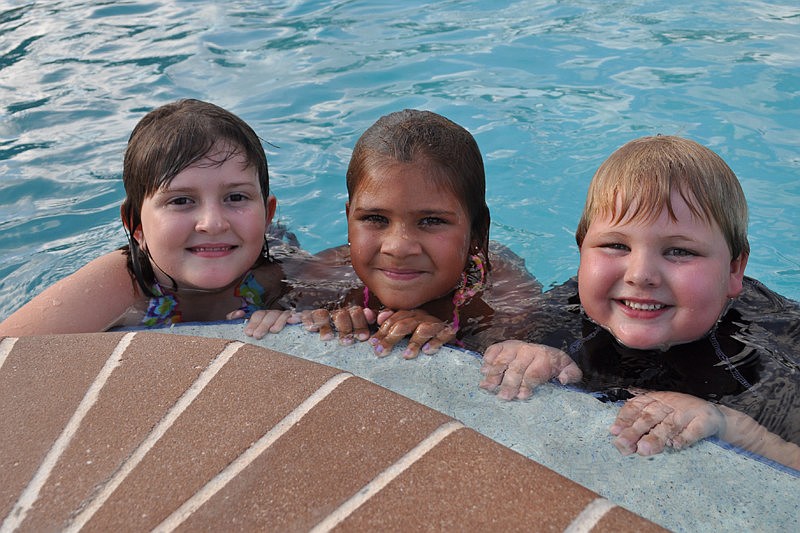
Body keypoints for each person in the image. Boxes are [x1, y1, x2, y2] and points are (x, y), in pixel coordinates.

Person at [479, 135, 800, 470]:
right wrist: (525, 353)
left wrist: (727, 424)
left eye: (679, 251)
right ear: (582, 250)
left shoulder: (776, 349)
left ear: (734, 269)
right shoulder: (564, 309)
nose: (640, 275)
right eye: (616, 246)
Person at [244, 109, 542, 358]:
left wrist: (452, 339)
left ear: (477, 231)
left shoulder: (505, 298)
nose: (398, 247)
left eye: (431, 221)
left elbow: (513, 356)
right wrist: (308, 322)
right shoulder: (320, 278)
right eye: (375, 218)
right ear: (348, 220)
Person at [0, 99, 303, 335]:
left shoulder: (279, 274)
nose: (213, 223)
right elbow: (11, 353)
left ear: (267, 215)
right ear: (136, 226)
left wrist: (300, 317)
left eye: (236, 197)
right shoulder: (121, 286)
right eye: (181, 200)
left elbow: (329, 311)